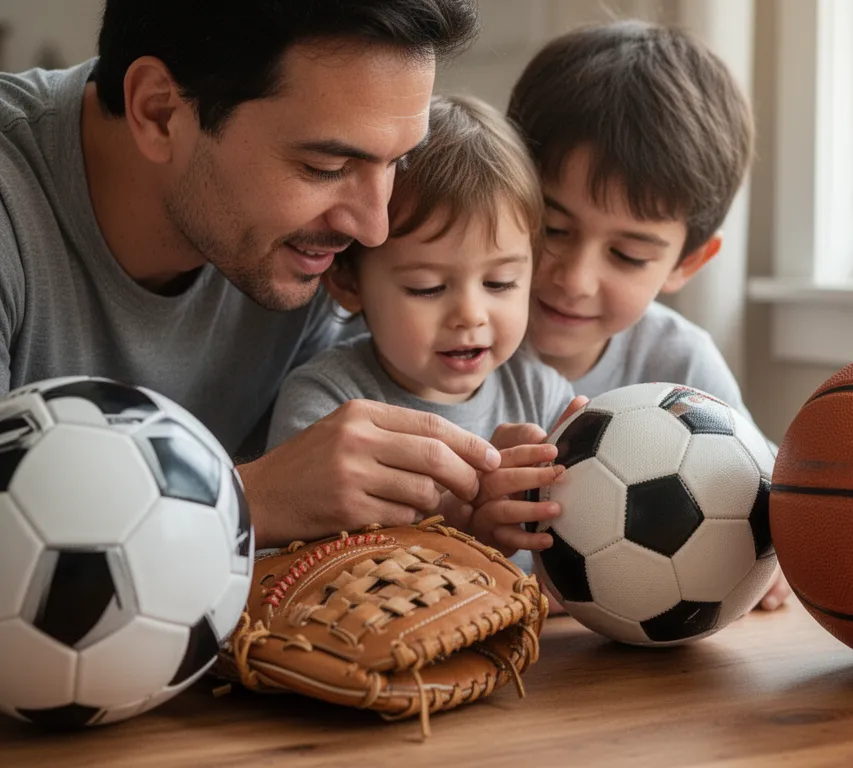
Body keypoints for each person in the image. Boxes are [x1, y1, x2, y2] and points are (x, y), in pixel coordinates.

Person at [0, 1, 513, 549]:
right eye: (326, 169)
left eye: (397, 163)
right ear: (157, 111)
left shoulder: (314, 245)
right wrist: (250, 500)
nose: (373, 229)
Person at [506, 21, 791, 609]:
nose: (575, 278)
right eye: (553, 229)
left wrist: (780, 556)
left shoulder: (680, 364)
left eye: (628, 254)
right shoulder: (435, 341)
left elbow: (769, 500)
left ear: (686, 262)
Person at [268, 94, 579, 560]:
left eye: (500, 282)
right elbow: (301, 570)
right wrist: (457, 527)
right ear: (348, 282)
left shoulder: (545, 401)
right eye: (427, 287)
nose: (470, 314)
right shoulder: (327, 405)